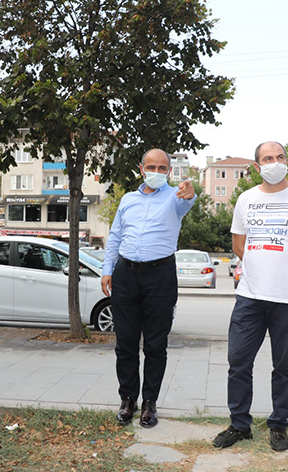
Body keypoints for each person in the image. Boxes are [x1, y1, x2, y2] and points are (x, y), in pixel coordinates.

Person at [213, 141, 288, 452]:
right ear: (257, 166)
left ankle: (278, 425)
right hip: (249, 297)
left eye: (279, 157)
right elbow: (240, 246)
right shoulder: (246, 200)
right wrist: (260, 270)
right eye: (267, 158)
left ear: (286, 160)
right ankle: (239, 425)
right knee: (238, 362)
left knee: (284, 365)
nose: (274, 162)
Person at [101, 148, 196, 428]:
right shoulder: (128, 200)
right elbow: (116, 235)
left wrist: (189, 192)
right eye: (151, 166)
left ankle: (150, 403)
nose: (156, 172)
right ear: (141, 168)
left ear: (169, 171)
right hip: (125, 275)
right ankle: (128, 399)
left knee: (156, 345)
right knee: (126, 344)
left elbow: (187, 199)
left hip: (160, 277)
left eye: (162, 168)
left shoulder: (175, 197)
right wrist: (108, 271)